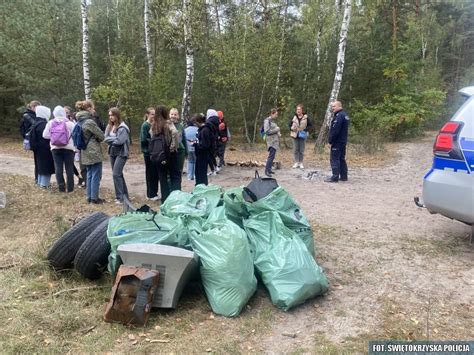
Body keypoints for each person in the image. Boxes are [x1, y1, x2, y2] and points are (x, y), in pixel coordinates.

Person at [75, 100, 105, 204]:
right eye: (92, 108)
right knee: (96, 174)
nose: (94, 110)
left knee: (89, 174)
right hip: (93, 150)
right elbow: (101, 136)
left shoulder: (79, 120)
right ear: (88, 109)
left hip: (84, 150)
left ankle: (89, 197)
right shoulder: (90, 122)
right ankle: (94, 198)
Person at [42, 106, 76, 192]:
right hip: (69, 148)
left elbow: (45, 135)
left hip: (55, 148)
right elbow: (75, 135)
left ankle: (61, 187)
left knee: (58, 167)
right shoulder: (70, 123)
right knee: (69, 168)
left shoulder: (50, 123)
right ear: (64, 113)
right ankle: (70, 188)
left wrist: (54, 138)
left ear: (54, 113)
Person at [150, 105, 179, 203]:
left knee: (162, 178)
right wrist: (174, 146)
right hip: (170, 154)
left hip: (158, 155)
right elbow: (175, 132)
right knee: (174, 176)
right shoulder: (168, 123)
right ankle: (176, 199)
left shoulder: (154, 125)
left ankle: (165, 199)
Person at [104, 107, 130, 204]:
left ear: (117, 115)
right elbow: (105, 138)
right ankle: (124, 196)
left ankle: (121, 198)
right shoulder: (109, 126)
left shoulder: (123, 127)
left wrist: (111, 139)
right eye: (109, 115)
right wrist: (113, 138)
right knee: (118, 174)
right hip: (112, 152)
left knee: (116, 174)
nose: (111, 117)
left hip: (122, 153)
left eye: (112, 115)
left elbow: (120, 141)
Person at [29, 105, 55, 189]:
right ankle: (44, 184)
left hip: (38, 148)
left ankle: (40, 182)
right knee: (45, 166)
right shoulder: (43, 124)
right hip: (44, 148)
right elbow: (45, 137)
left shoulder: (36, 123)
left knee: (39, 166)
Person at [325, 100, 349, 183]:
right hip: (343, 141)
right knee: (341, 158)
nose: (332, 108)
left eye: (334, 106)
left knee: (335, 159)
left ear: (339, 106)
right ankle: (344, 176)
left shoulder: (339, 116)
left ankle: (335, 177)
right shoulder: (345, 115)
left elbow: (335, 130)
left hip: (337, 142)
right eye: (332, 107)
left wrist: (330, 141)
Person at [140, 107, 160, 201]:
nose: (154, 116)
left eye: (155, 114)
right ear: (147, 114)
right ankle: (150, 194)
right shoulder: (145, 125)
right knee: (150, 173)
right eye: (152, 114)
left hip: (155, 152)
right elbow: (143, 139)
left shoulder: (155, 124)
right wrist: (153, 141)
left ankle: (154, 192)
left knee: (155, 173)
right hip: (148, 153)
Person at [20, 100, 41, 182]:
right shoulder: (27, 115)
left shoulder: (32, 114)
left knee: (38, 159)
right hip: (33, 139)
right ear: (33, 107)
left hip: (35, 139)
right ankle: (37, 178)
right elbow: (35, 124)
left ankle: (38, 178)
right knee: (37, 160)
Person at [193, 113, 213, 186]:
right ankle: (198, 186)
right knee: (198, 172)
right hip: (199, 155)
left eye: (195, 123)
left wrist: (196, 145)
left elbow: (205, 145)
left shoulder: (205, 130)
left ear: (198, 122)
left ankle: (202, 187)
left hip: (203, 155)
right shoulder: (201, 130)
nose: (195, 125)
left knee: (202, 173)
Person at [169, 108, 188, 184]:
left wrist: (186, 152)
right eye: (172, 114)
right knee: (170, 171)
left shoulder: (180, 126)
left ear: (178, 116)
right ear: (169, 115)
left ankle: (178, 188)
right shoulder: (167, 125)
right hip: (170, 151)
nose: (173, 116)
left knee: (179, 171)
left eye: (175, 114)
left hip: (180, 151)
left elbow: (184, 139)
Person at [289, 104, 310, 169]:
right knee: (295, 150)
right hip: (295, 135)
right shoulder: (294, 117)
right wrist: (291, 128)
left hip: (302, 135)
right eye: (297, 109)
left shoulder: (306, 117)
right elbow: (289, 125)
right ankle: (296, 162)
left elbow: (310, 126)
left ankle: (301, 162)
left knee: (301, 150)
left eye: (299, 109)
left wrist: (305, 130)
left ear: (302, 110)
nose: (298, 111)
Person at [263, 108, 281, 177]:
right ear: (272, 113)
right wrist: (276, 130)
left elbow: (274, 129)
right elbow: (267, 131)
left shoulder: (272, 121)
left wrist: (278, 132)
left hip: (274, 142)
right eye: (276, 114)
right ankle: (266, 171)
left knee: (273, 156)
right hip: (271, 142)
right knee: (270, 156)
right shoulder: (267, 121)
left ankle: (269, 169)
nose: (277, 116)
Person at [205, 109, 220, 176]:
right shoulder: (216, 121)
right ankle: (216, 167)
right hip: (214, 141)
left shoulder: (209, 122)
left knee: (208, 156)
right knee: (212, 155)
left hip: (209, 141)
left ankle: (212, 170)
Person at [184, 116, 199, 180]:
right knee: (196, 161)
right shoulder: (198, 129)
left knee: (190, 161)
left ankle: (189, 176)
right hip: (196, 148)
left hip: (188, 148)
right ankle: (196, 175)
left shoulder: (185, 130)